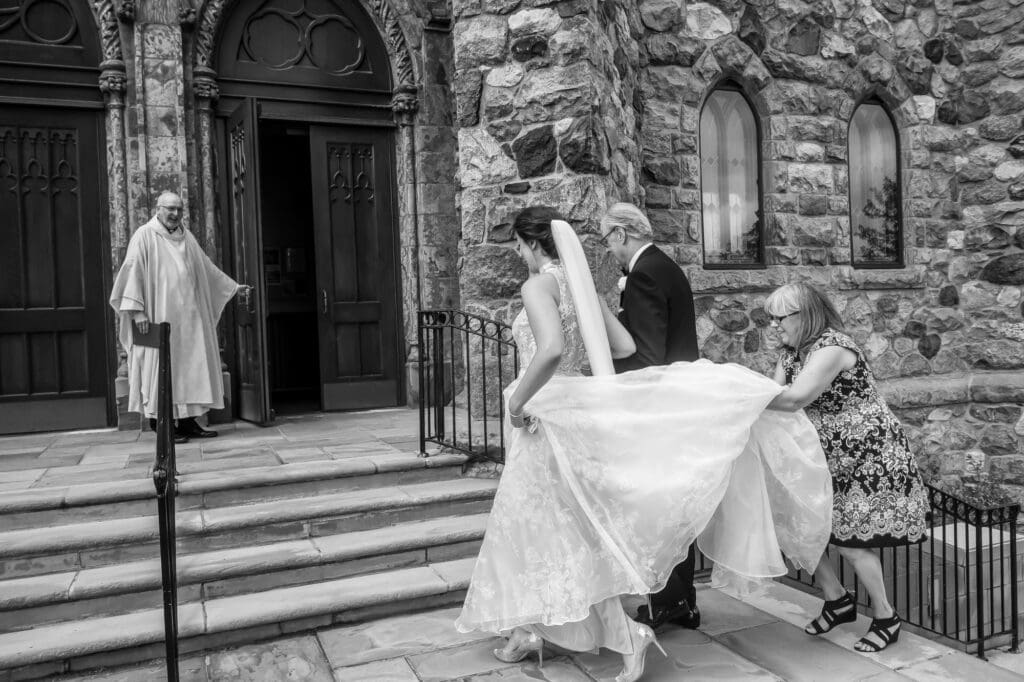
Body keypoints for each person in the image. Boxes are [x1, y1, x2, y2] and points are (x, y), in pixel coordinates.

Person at [455, 207, 834, 682]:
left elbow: (549, 349)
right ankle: (535, 629)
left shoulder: (537, 287)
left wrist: (517, 405)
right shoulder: (580, 288)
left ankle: (587, 632)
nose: (516, 255)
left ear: (533, 244)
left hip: (540, 415)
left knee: (537, 529)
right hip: (571, 413)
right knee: (559, 532)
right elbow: (624, 348)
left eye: (517, 247)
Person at [764, 283, 929, 653]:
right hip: (824, 454)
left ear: (804, 315)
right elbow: (771, 391)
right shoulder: (791, 352)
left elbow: (791, 399)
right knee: (803, 528)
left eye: (780, 318)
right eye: (770, 319)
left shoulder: (832, 348)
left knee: (854, 544)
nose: (774, 326)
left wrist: (737, 396)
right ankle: (837, 599)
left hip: (868, 454)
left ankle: (886, 616)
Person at [599, 202, 700, 631]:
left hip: (658, 409)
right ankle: (680, 602)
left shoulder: (643, 274)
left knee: (659, 505)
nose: (609, 250)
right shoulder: (666, 267)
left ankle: (670, 601)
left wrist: (603, 371)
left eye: (608, 240)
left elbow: (645, 355)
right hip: (679, 402)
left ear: (622, 234)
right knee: (675, 504)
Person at [110, 191, 250, 442]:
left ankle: (187, 423)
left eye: (179, 209)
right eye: (170, 209)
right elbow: (133, 272)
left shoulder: (187, 236)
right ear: (158, 208)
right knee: (159, 368)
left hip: (188, 320)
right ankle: (160, 424)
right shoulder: (144, 235)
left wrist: (231, 286)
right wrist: (138, 312)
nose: (175, 214)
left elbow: (206, 267)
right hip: (156, 317)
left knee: (189, 369)